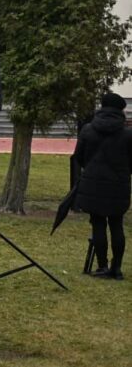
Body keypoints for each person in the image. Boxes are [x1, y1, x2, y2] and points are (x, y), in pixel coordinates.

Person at [72, 92, 132, 280]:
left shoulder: (88, 130)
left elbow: (79, 157)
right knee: (116, 224)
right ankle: (117, 267)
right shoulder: (128, 134)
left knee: (97, 223)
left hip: (93, 185)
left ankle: (102, 265)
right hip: (119, 185)